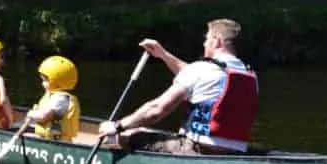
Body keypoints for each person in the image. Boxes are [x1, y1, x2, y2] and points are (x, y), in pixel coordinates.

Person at [97, 18, 258, 155]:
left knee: (127, 136)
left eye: (207, 39)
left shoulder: (202, 69)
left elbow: (157, 110)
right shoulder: (249, 75)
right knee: (151, 132)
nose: (204, 43)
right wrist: (163, 55)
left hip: (196, 149)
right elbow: (195, 76)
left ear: (216, 41)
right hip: (234, 152)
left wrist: (117, 126)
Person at [23, 55, 80, 142]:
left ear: (56, 81)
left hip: (57, 141)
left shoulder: (61, 99)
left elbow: (43, 116)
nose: (42, 84)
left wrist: (31, 114)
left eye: (45, 80)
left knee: (26, 136)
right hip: (48, 138)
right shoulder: (54, 96)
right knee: (27, 134)